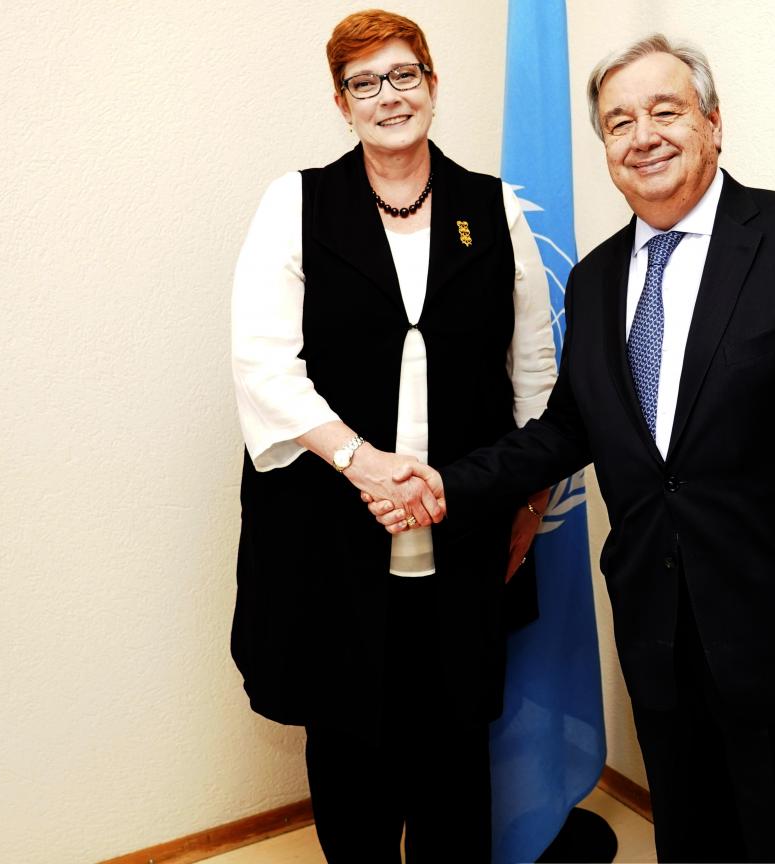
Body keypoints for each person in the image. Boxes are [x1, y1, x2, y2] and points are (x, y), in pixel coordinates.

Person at [371, 34, 775, 862]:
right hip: (659, 627)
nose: (643, 136)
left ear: (713, 123)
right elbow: (568, 428)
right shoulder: (594, 278)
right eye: (617, 122)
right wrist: (444, 484)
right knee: (692, 832)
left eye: (665, 111)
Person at [228, 9, 556, 862]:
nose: (389, 96)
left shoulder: (494, 209)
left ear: (435, 85)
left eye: (405, 74)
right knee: (350, 758)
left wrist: (528, 499)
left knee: (455, 763)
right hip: (332, 538)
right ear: (342, 103)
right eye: (365, 82)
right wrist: (364, 464)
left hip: (465, 535)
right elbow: (263, 364)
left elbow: (534, 372)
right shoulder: (294, 203)